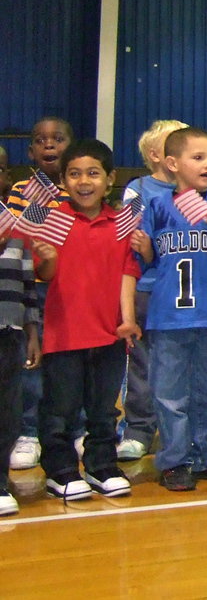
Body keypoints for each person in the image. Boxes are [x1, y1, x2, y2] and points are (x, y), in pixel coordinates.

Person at [31, 139, 141, 500]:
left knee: (103, 408)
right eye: (75, 174)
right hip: (64, 335)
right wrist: (46, 257)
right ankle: (60, 470)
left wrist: (126, 320)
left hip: (108, 334)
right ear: (63, 179)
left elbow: (128, 272)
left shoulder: (121, 225)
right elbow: (43, 274)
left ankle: (101, 465)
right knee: (60, 408)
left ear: (109, 179)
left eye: (93, 173)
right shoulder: (53, 219)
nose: (84, 182)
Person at [139, 127, 207, 491]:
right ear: (172, 163)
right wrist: (144, 250)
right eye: (197, 158)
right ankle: (175, 460)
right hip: (168, 317)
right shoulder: (156, 207)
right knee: (170, 393)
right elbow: (146, 264)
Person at [116, 118, 187, 462]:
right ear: (159, 155)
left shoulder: (195, 192)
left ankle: (181, 431)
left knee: (181, 363)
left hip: (183, 293)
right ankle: (139, 428)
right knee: (142, 364)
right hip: (146, 289)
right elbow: (130, 240)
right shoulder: (138, 189)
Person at [6, 116, 72, 473]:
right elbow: (17, 233)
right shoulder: (20, 189)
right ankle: (28, 432)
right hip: (33, 291)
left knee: (70, 364)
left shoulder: (79, 188)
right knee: (31, 363)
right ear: (31, 150)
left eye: (58, 139)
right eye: (41, 140)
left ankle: (74, 428)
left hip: (71, 292)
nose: (49, 145)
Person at [0, 220, 40, 514]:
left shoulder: (13, 227)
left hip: (10, 331)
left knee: (8, 413)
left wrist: (32, 331)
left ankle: (1, 481)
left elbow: (28, 287)